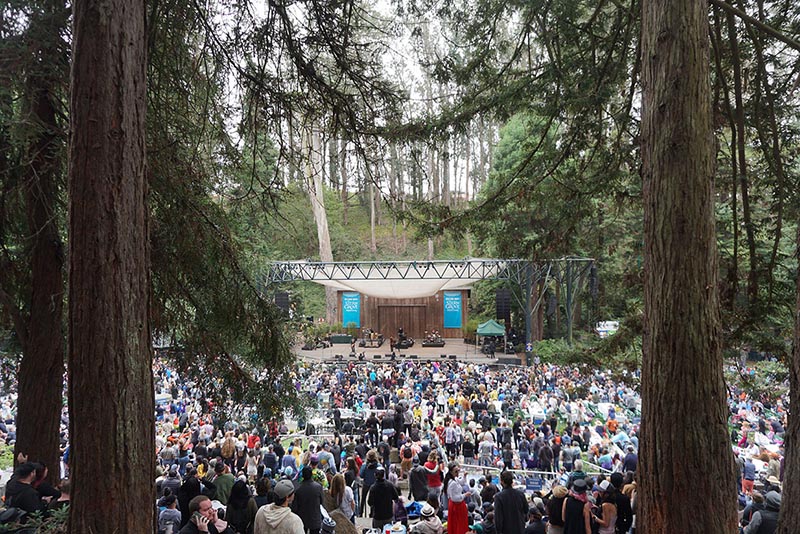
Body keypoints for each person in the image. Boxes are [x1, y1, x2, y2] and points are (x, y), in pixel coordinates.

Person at [493, 470, 528, 534]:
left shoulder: (499, 497)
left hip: (506, 530)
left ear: (502, 481)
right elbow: (526, 510)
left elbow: (498, 518)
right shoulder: (520, 494)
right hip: (519, 529)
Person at [292, 467, 323, 534]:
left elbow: (294, 507)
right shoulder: (318, 487)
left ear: (302, 475)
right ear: (311, 474)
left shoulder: (298, 488)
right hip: (315, 518)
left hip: (302, 519)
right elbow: (321, 502)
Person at [445, 462, 471, 534]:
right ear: (451, 472)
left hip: (456, 505)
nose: (457, 473)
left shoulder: (454, 479)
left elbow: (462, 482)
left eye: (458, 471)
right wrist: (465, 495)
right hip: (457, 506)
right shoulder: (452, 483)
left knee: (457, 523)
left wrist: (464, 476)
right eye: (456, 471)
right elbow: (454, 498)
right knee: (458, 524)